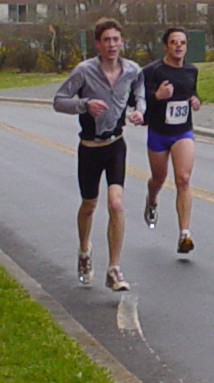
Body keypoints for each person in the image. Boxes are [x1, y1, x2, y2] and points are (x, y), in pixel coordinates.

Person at [53, 17, 145, 292]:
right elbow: (58, 101)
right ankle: (84, 250)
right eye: (106, 40)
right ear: (97, 44)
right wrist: (83, 104)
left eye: (116, 39)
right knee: (89, 205)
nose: (112, 45)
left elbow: (140, 90)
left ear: (122, 42)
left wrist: (140, 109)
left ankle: (114, 269)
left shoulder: (132, 69)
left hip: (116, 144)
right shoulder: (84, 71)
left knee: (116, 204)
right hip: (90, 149)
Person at [142, 27, 201, 254]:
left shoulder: (191, 70)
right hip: (158, 132)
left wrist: (195, 100)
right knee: (159, 178)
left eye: (182, 42)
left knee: (183, 178)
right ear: (165, 46)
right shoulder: (152, 71)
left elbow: (192, 92)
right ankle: (152, 199)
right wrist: (156, 96)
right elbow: (136, 99)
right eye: (174, 42)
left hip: (182, 132)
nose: (178, 46)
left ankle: (184, 234)